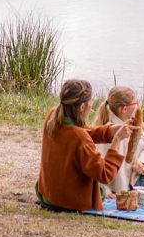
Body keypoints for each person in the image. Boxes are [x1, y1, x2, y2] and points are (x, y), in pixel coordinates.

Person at [36, 78, 134, 211]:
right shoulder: (79, 137)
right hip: (70, 202)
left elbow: (81, 131)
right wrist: (117, 140)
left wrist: (111, 130)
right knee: (100, 189)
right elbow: (105, 174)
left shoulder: (53, 116)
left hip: (48, 196)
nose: (92, 105)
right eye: (91, 101)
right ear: (82, 107)